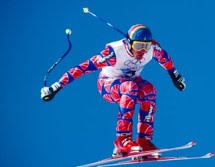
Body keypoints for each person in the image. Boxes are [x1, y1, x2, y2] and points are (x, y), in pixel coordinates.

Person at [41, 24, 186, 157]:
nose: (142, 50)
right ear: (129, 42)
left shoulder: (153, 49)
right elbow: (83, 68)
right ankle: (122, 140)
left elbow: (166, 61)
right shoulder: (114, 52)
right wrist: (55, 87)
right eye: (139, 45)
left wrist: (175, 77)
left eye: (146, 46)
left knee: (149, 90)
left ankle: (144, 141)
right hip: (107, 85)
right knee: (130, 87)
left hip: (131, 81)